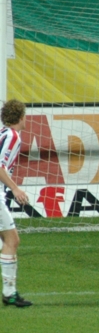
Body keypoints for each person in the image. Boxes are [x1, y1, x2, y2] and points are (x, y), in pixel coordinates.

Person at [0, 99, 33, 308]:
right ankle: (9, 293)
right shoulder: (12, 136)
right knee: (12, 241)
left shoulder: (3, 133)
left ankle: (9, 291)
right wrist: (15, 188)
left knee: (6, 243)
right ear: (20, 117)